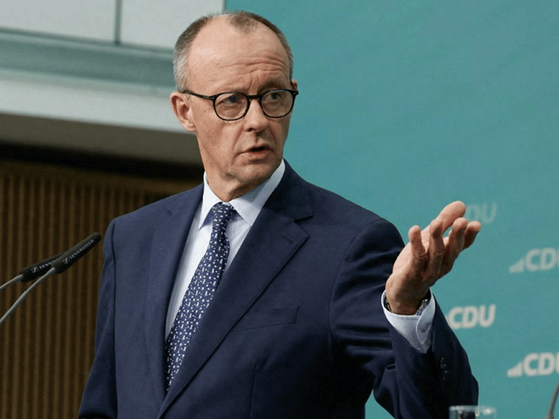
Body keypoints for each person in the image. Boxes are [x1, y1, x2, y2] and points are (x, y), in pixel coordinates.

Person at [78, 10, 480, 419]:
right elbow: (104, 406)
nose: (257, 121)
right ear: (185, 111)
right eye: (231, 101)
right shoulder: (133, 239)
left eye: (273, 97)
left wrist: (407, 307)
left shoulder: (348, 244)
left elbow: (439, 410)